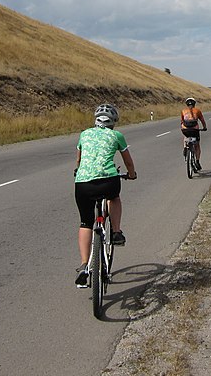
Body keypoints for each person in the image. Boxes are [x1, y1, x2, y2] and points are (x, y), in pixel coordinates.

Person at [73, 103, 136, 287]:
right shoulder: (117, 136)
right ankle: (116, 232)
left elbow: (78, 159)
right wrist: (131, 175)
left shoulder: (84, 134)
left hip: (83, 184)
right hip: (108, 181)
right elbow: (128, 162)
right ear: (113, 122)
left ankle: (85, 265)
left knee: (86, 222)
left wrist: (79, 171)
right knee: (113, 198)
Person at [180, 97, 207, 171]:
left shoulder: (183, 111)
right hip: (195, 130)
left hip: (185, 129)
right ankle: (197, 161)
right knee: (197, 145)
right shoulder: (197, 111)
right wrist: (204, 127)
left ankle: (185, 146)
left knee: (186, 136)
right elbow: (202, 120)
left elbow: (182, 121)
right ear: (194, 104)